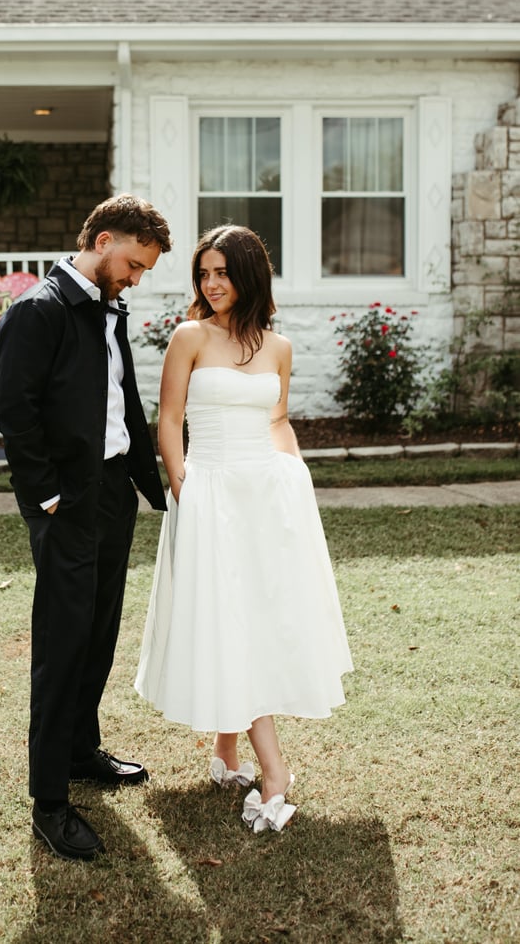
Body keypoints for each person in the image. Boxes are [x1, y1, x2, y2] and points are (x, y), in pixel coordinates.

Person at [134, 224, 353, 833]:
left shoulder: (278, 347)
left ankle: (227, 753)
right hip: (209, 492)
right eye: (204, 273)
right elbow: (169, 422)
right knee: (233, 616)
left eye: (223, 272)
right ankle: (275, 772)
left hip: (267, 495)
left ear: (250, 275)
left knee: (254, 615)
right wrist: (185, 490)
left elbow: (278, 421)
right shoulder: (190, 337)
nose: (211, 283)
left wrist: (296, 478)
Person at [0, 194, 172, 861]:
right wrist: (45, 500)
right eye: (131, 264)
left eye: (143, 270)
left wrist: (148, 488)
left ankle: (78, 750)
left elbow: (124, 403)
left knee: (98, 632)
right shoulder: (35, 313)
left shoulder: (108, 311)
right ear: (101, 240)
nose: (134, 279)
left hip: (112, 494)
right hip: (65, 503)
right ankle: (49, 801)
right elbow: (16, 415)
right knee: (62, 644)